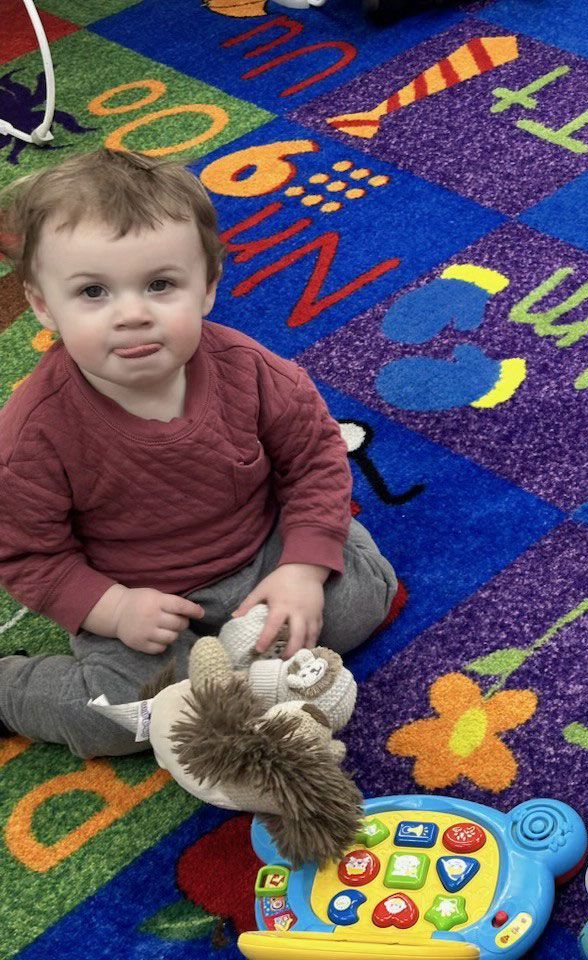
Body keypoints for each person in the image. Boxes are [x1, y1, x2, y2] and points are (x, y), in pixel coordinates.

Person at [0, 148, 398, 758]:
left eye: (161, 285)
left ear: (208, 289)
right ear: (43, 306)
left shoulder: (254, 371)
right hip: (138, 599)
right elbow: (28, 555)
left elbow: (316, 461)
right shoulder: (33, 434)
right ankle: (12, 687)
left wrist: (303, 567)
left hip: (262, 552)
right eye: (93, 292)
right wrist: (111, 609)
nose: (133, 314)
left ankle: (259, 645)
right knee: (131, 713)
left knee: (355, 603)